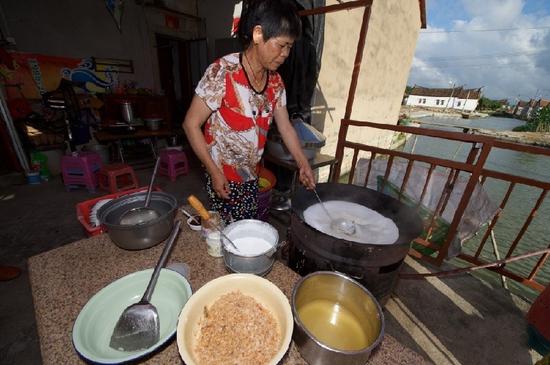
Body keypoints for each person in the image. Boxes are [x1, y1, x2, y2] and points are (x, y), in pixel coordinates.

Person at [183, 0, 315, 224]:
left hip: (251, 175)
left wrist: (303, 163)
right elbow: (190, 124)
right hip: (221, 174)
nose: (285, 54)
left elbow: (285, 127)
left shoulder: (275, 83)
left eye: (290, 47)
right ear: (257, 34)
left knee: (246, 226)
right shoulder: (223, 72)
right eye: (281, 45)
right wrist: (214, 171)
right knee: (226, 231)